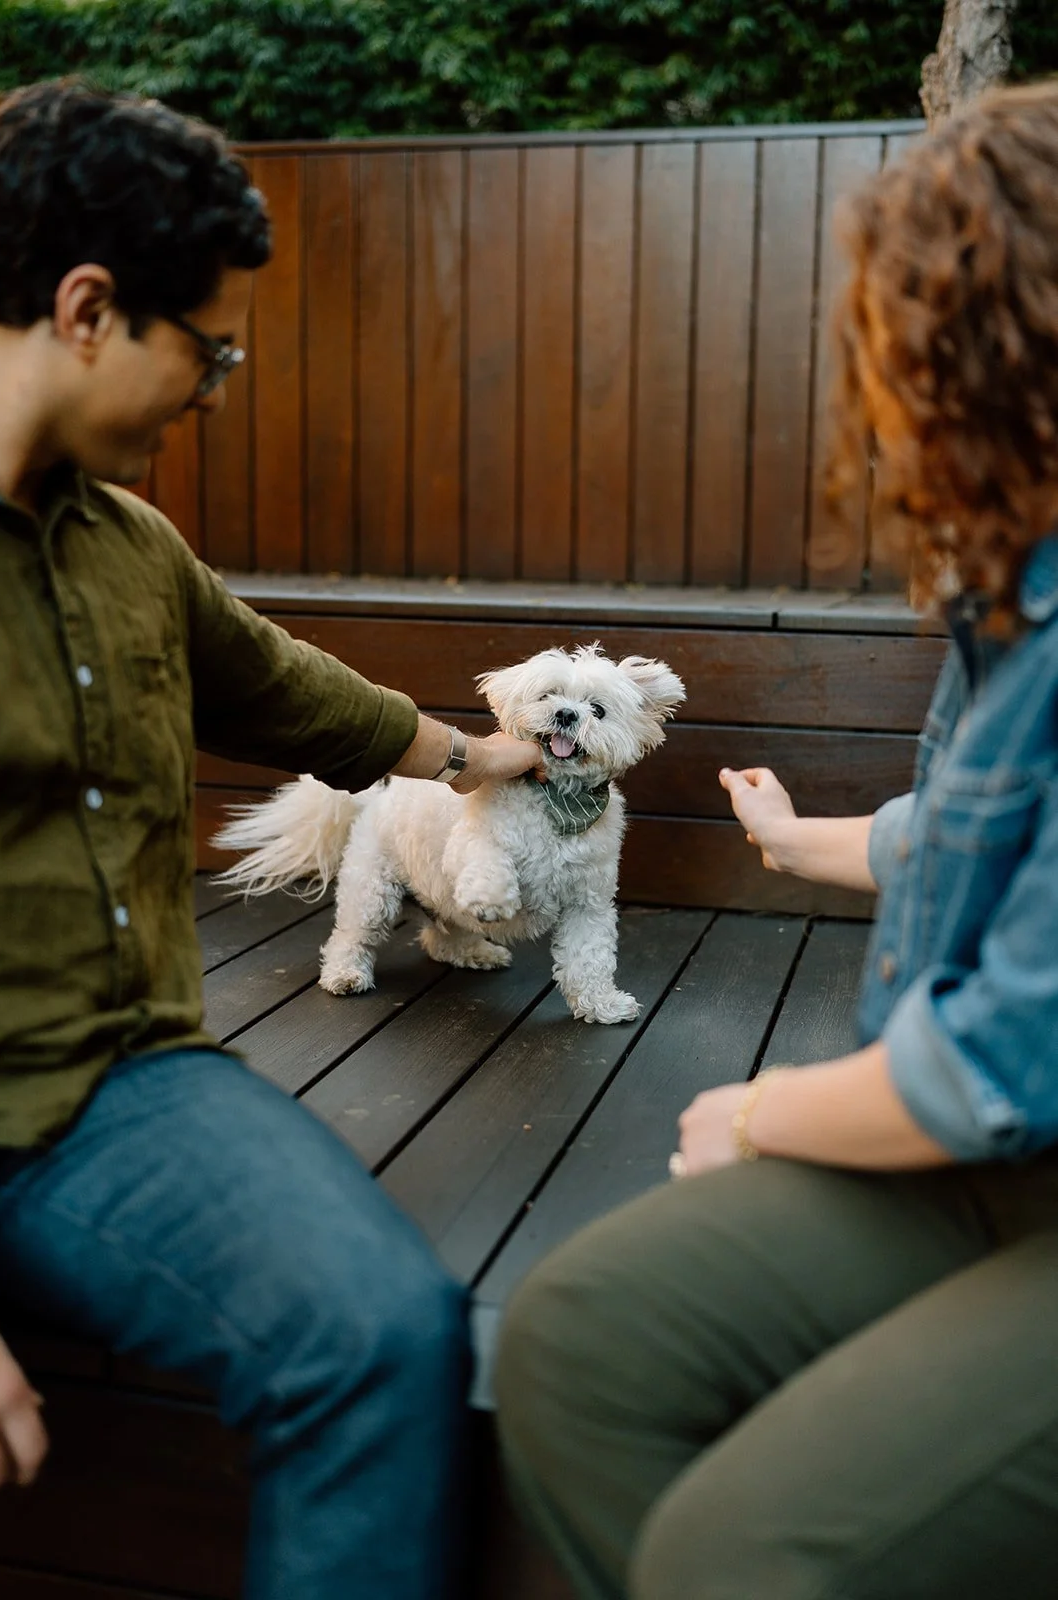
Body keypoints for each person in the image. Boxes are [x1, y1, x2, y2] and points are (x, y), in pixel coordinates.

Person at [496, 80, 1058, 1600]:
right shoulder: (1013, 589)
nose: (873, 399)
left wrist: (770, 1114)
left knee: (737, 1552)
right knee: (572, 1342)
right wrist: (809, 839)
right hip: (989, 1152)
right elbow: (991, 834)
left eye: (890, 345)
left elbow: (1011, 1059)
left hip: (1005, 1129)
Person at [0, 78, 543, 1596]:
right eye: (210, 346)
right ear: (89, 307)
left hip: (116, 1093)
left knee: (382, 1333)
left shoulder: (131, 547)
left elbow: (296, 697)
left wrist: (489, 755)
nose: (220, 386)